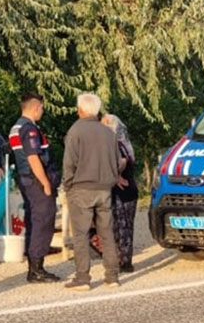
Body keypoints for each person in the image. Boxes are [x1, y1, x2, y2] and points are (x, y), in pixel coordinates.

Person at [62, 93, 121, 290]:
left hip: (81, 188)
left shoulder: (75, 131)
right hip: (104, 188)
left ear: (80, 109)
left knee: (80, 234)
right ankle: (112, 276)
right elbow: (117, 162)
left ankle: (83, 277)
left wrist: (67, 185)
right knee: (107, 233)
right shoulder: (109, 133)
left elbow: (69, 163)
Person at [10, 92, 62, 283]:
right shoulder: (29, 129)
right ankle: (37, 269)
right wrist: (46, 183)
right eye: (41, 107)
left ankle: (34, 266)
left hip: (27, 180)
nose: (42, 111)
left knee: (34, 220)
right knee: (42, 221)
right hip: (36, 181)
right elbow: (33, 157)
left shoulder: (17, 127)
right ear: (35, 107)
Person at [102, 113, 138, 273]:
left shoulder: (114, 144)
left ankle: (121, 261)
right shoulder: (125, 143)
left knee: (119, 226)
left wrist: (115, 176)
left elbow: (121, 162)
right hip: (129, 188)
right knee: (127, 227)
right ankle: (125, 260)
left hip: (120, 190)